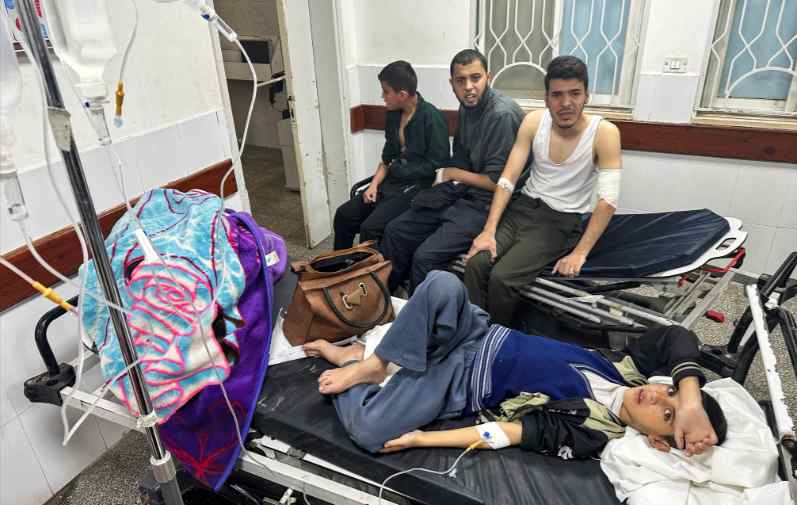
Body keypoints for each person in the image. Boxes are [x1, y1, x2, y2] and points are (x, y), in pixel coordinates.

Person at [303, 271, 725, 459]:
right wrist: (690, 401)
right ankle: (376, 365)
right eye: (670, 392)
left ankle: (354, 363)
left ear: (658, 442)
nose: (656, 397)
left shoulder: (595, 431)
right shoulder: (629, 367)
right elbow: (676, 335)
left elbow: (507, 433)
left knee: (371, 431)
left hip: (458, 382)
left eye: (666, 415)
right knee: (442, 284)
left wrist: (421, 439)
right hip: (478, 332)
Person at [465, 55, 622, 327]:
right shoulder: (534, 122)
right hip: (523, 208)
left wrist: (580, 252)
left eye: (575, 93)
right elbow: (507, 179)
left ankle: (497, 338)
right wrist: (488, 231)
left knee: (503, 278)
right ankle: (474, 332)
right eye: (557, 95)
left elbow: (608, 200)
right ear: (547, 98)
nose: (566, 103)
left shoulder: (604, 133)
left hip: (560, 220)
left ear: (587, 96)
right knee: (476, 263)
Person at [379, 49, 529, 292]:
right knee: (395, 231)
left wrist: (452, 174)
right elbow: (460, 158)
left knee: (424, 257)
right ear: (452, 84)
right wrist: (445, 182)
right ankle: (384, 301)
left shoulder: (501, 115)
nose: (468, 87)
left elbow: (499, 182)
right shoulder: (467, 107)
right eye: (461, 80)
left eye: (475, 78)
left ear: (488, 77)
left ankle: (424, 313)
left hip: (490, 204)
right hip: (462, 194)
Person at [333, 60, 449, 250]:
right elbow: (387, 158)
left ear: (402, 95)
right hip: (391, 183)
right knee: (344, 215)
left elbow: (439, 164)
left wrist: (402, 169)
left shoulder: (432, 118)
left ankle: (369, 268)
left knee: (370, 229)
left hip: (417, 188)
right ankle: (338, 264)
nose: (382, 96)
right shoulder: (394, 116)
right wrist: (373, 185)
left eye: (386, 92)